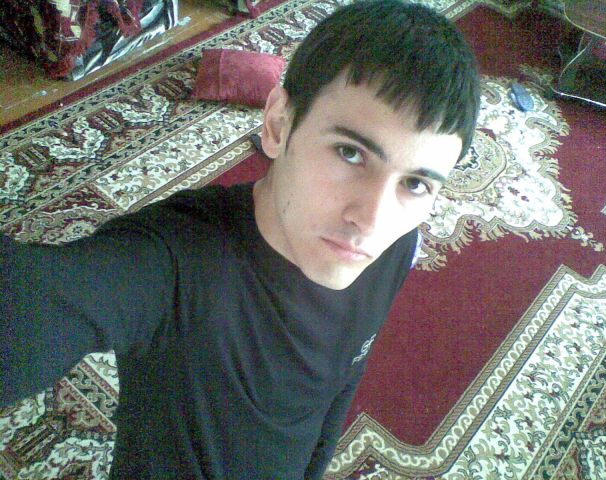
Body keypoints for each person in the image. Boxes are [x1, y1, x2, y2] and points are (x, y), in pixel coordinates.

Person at [0, 0, 479, 477]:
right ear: (277, 124)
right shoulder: (171, 264)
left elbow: (340, 383)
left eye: (415, 183)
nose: (372, 221)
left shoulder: (393, 247)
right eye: (350, 153)